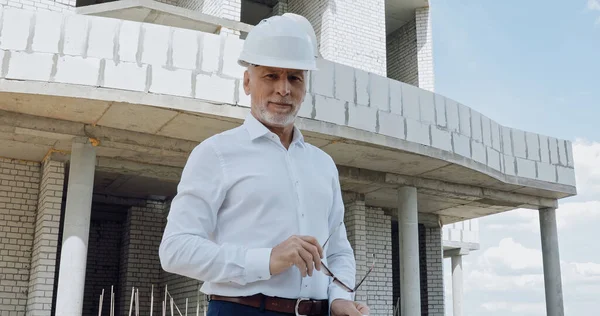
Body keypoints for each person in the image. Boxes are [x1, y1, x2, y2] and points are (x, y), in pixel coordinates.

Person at [159, 14, 370, 316]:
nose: (284, 89)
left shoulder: (323, 164)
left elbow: (338, 250)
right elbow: (176, 250)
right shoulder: (215, 153)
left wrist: (339, 297)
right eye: (271, 76)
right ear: (247, 82)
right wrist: (267, 259)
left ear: (305, 85)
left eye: (294, 77)